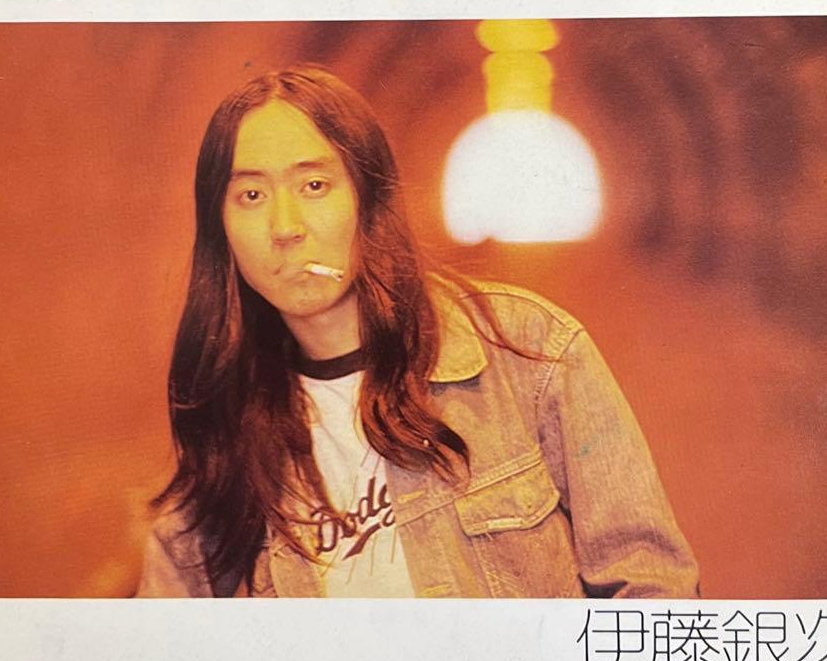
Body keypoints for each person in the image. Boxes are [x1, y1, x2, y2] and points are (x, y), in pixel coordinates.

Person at [136, 66, 699, 598]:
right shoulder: (222, 424)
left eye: (314, 185)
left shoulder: (532, 353)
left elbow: (652, 587)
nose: (285, 228)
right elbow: (165, 645)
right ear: (222, 228)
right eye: (252, 196)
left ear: (368, 198)